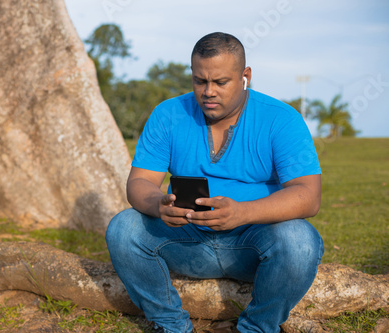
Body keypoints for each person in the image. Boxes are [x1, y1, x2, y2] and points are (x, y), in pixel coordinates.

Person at [105, 32, 324, 333]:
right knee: (123, 228)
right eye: (200, 81)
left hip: (254, 243)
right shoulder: (168, 114)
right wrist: (159, 206)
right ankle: (171, 325)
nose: (208, 91)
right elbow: (139, 183)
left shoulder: (281, 119)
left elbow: (308, 196)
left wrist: (242, 213)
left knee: (299, 241)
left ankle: (257, 327)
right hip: (187, 239)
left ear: (245, 76)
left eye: (221, 82)